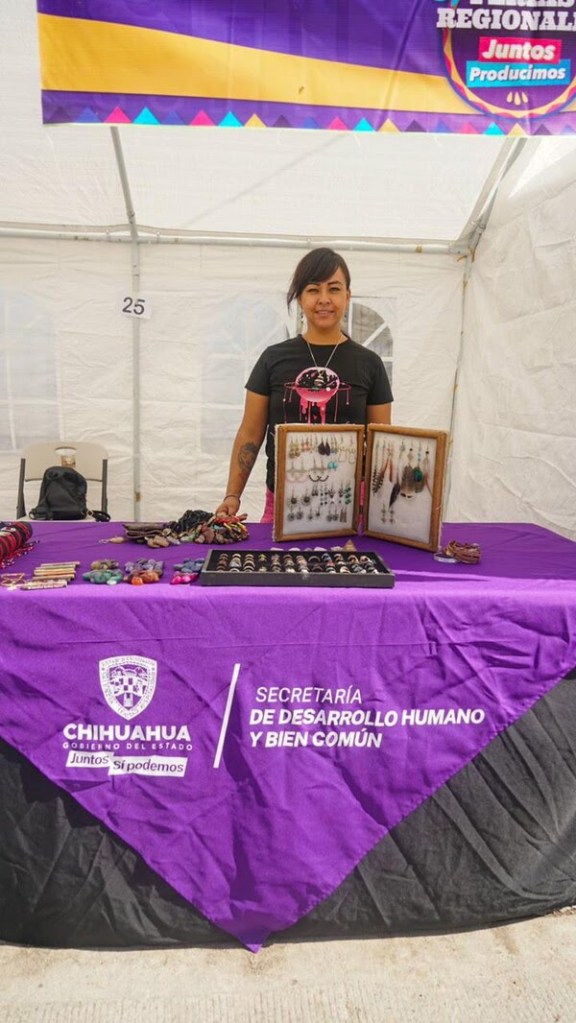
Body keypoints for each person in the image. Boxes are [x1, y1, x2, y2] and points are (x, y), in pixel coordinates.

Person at [216, 247, 393, 523]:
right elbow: (250, 433)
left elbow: (382, 444)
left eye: (334, 289)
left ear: (347, 296)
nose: (324, 299)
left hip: (349, 509)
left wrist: (383, 511)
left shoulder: (370, 364)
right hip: (283, 507)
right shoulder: (273, 358)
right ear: (300, 298)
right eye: (313, 290)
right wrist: (232, 496)